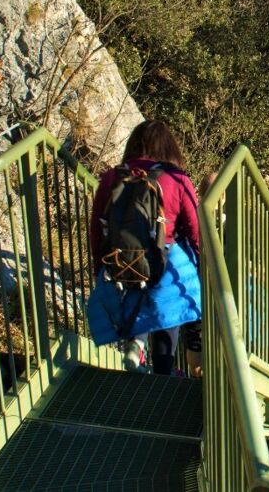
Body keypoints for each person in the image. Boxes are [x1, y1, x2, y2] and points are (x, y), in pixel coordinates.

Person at [87, 120, 202, 375]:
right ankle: (163, 373)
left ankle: (136, 344)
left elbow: (97, 227)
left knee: (134, 293)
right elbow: (196, 230)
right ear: (170, 148)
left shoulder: (111, 177)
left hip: (123, 258)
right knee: (168, 308)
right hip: (165, 258)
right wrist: (204, 265)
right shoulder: (177, 179)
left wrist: (98, 266)